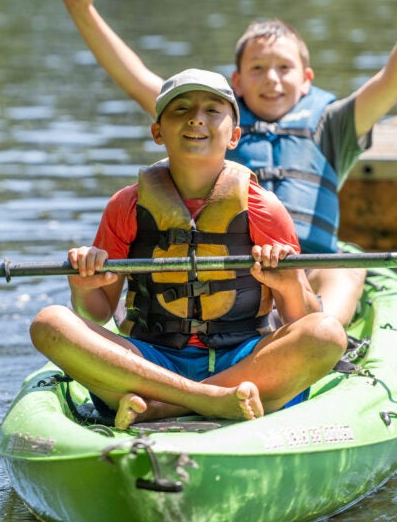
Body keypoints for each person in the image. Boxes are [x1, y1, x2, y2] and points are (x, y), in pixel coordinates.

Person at [62, 0, 397, 325]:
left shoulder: (333, 125)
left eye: (284, 68)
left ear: (306, 78)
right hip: (232, 273)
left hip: (305, 270)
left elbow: (393, 80)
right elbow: (135, 78)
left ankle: (314, 338)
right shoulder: (211, 123)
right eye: (258, 69)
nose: (272, 79)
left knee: (344, 267)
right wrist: (83, 9)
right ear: (238, 81)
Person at [29, 68, 348, 430]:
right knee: (49, 322)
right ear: (157, 132)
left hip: (241, 358)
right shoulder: (125, 206)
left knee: (326, 333)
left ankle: (163, 407)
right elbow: (97, 314)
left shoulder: (264, 207)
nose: (196, 117)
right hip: (150, 359)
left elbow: (300, 319)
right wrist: (82, 283)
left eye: (213, 110)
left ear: (235, 136)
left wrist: (287, 282)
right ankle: (208, 401)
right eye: (180, 109)